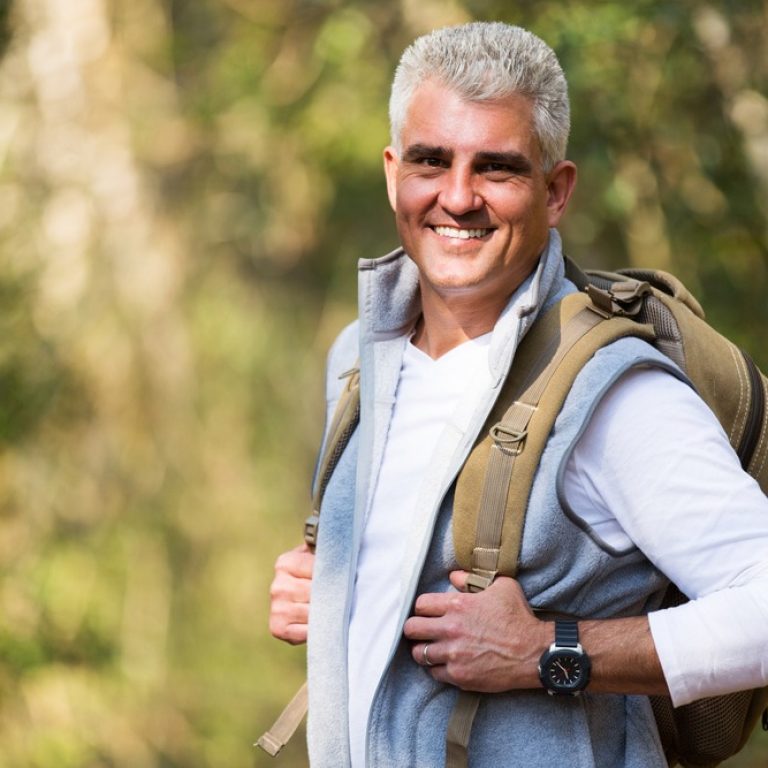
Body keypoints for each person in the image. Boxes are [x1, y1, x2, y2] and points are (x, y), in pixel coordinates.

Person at [268, 21, 768, 767]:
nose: (458, 197)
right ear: (391, 171)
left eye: (496, 168)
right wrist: (341, 588)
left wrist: (549, 650)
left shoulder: (613, 397)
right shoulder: (357, 361)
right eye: (430, 160)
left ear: (556, 191)